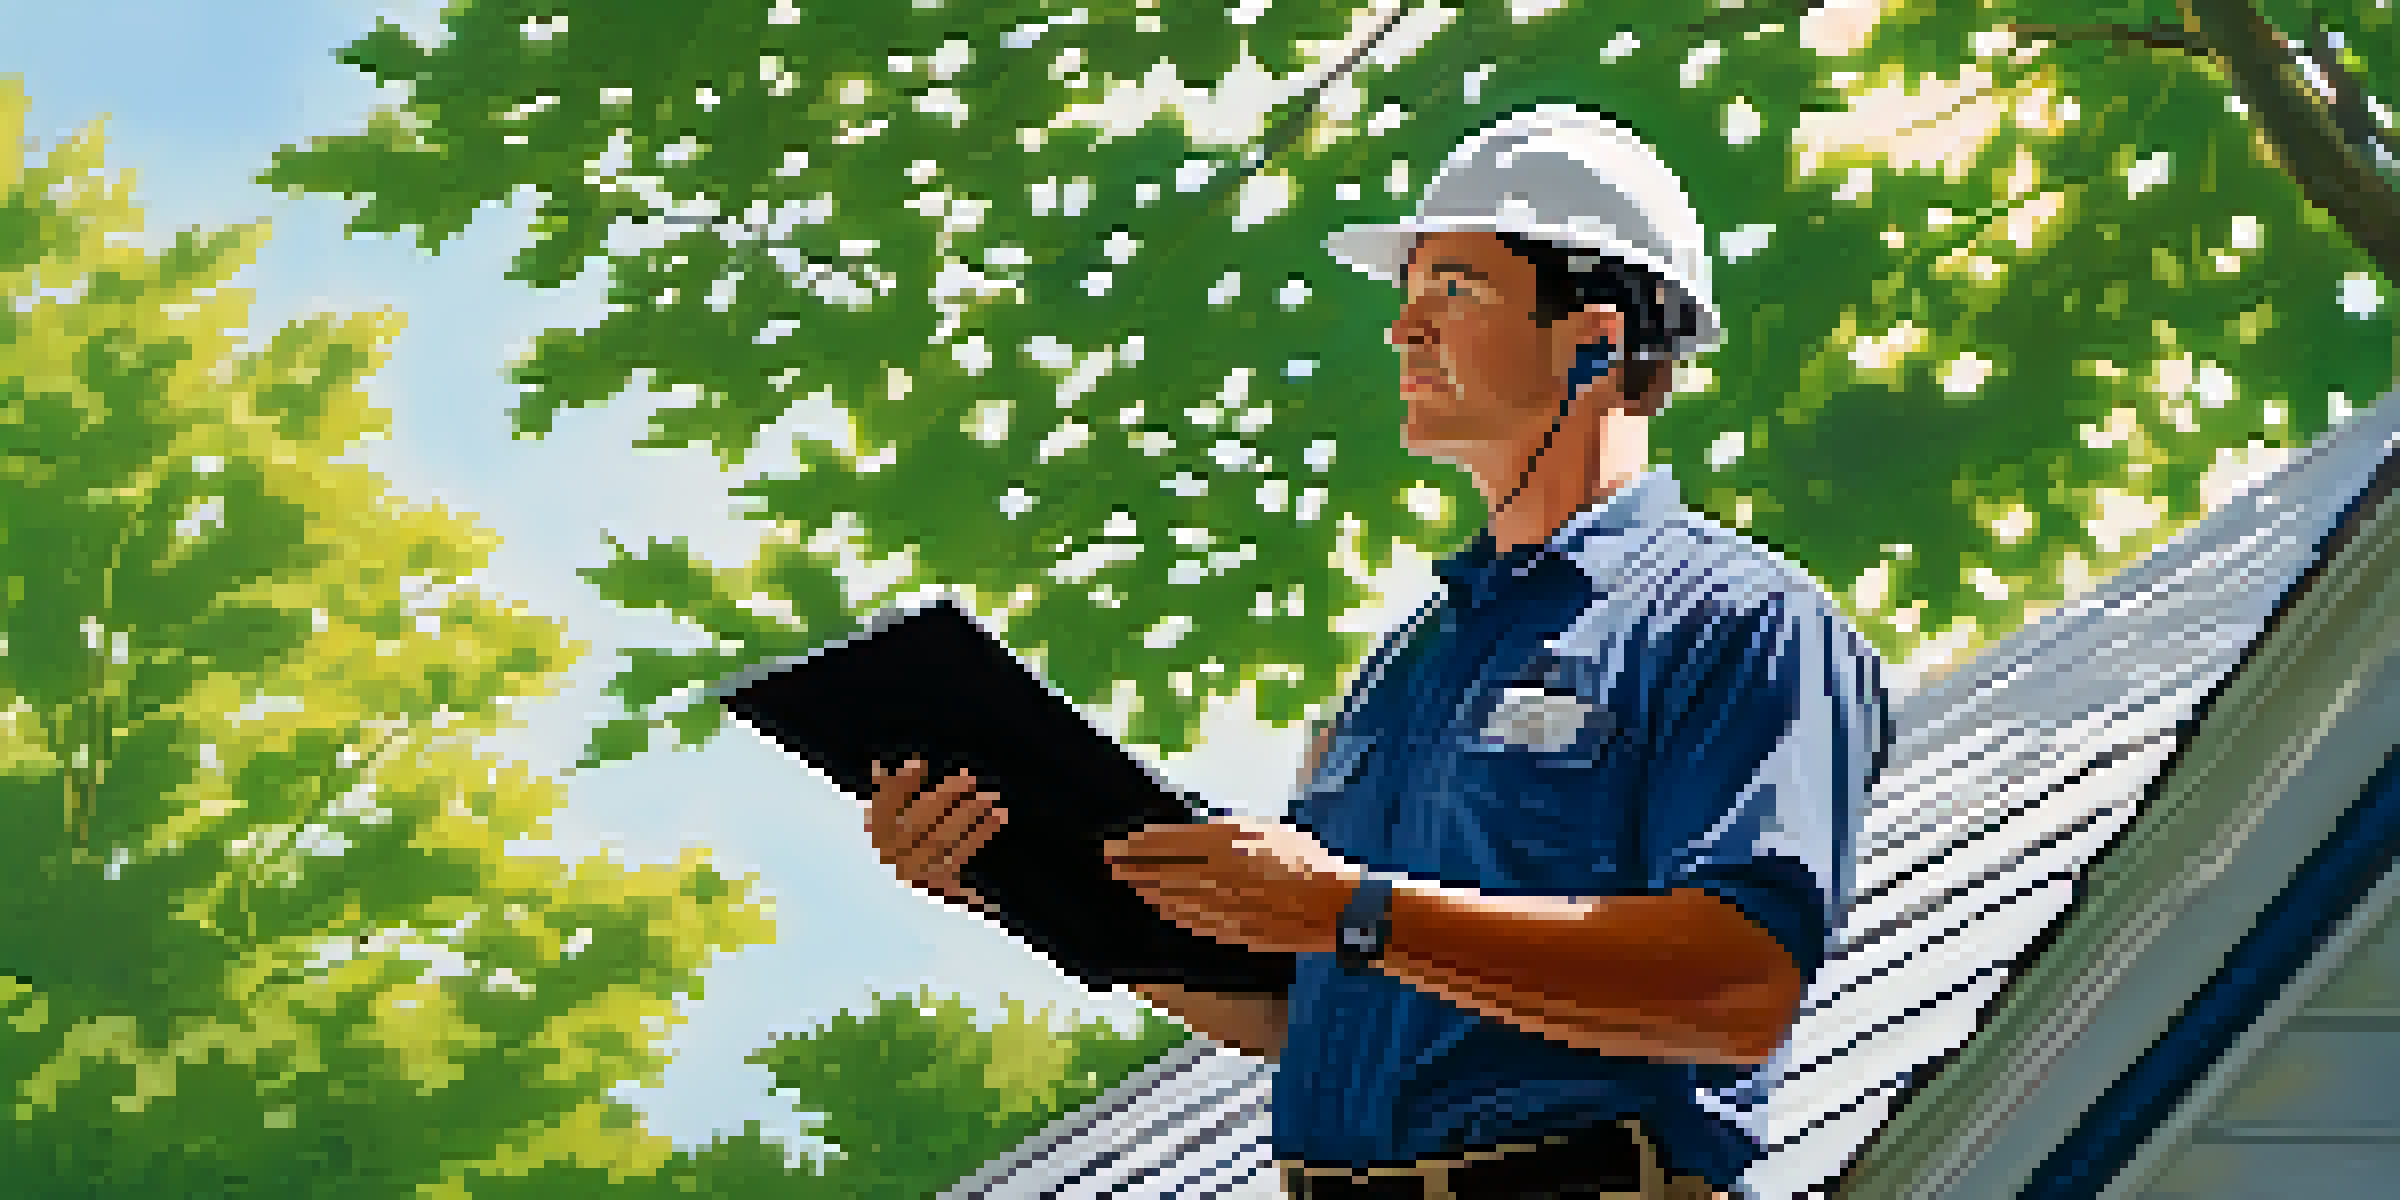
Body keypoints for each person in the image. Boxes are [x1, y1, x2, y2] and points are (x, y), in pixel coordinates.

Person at [865, 106, 1888, 1200]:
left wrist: (1351, 909)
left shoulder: (1742, 623)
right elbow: (1303, 1005)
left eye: (1456, 289)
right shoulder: (1413, 664)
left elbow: (1736, 989)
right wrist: (1024, 882)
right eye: (1409, 294)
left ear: (1592, 342)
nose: (1404, 328)